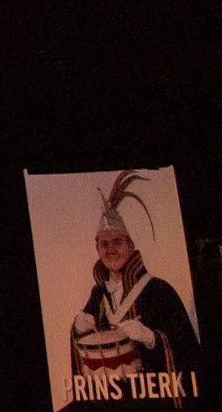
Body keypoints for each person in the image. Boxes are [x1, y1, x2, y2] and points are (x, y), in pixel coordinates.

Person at [67, 170, 202, 403]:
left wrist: (151, 338)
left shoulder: (160, 290)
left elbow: (189, 354)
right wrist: (77, 329)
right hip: (111, 398)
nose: (110, 249)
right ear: (97, 249)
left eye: (117, 241)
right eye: (104, 244)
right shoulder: (98, 294)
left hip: (152, 399)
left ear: (131, 246)